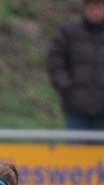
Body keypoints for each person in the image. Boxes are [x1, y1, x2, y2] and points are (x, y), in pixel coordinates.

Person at [47, 0, 104, 130]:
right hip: (76, 109)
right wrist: (65, 86)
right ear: (85, 8)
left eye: (100, 7)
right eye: (92, 7)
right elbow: (55, 61)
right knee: (75, 144)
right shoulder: (69, 32)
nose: (96, 12)